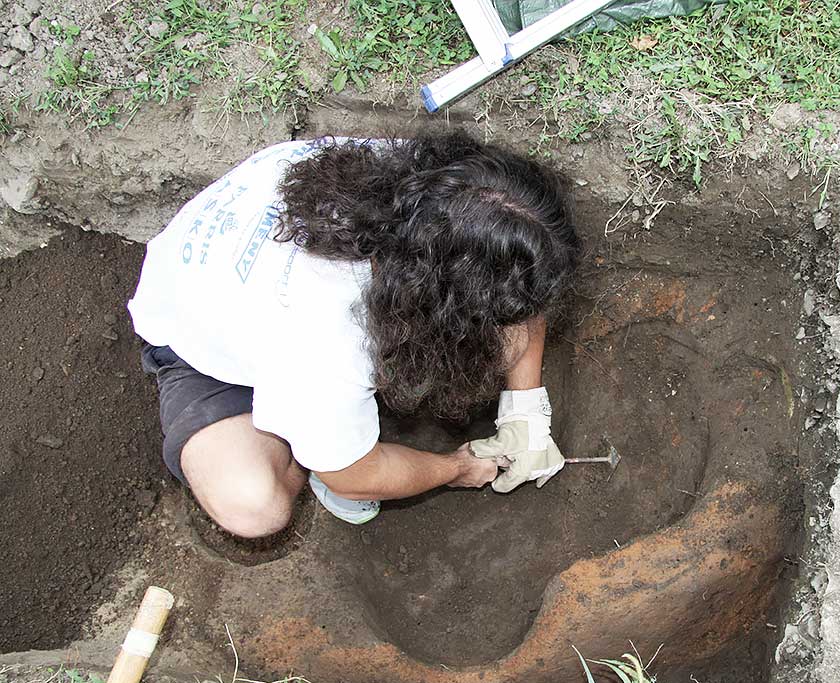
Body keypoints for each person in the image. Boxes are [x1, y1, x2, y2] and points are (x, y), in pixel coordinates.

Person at [128, 130, 581, 538]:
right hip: (200, 344)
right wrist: (456, 468)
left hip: (247, 296)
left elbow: (518, 285)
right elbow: (355, 476)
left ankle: (314, 427)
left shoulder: (427, 183)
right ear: (434, 303)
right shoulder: (328, 343)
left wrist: (527, 414)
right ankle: (304, 439)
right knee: (253, 506)